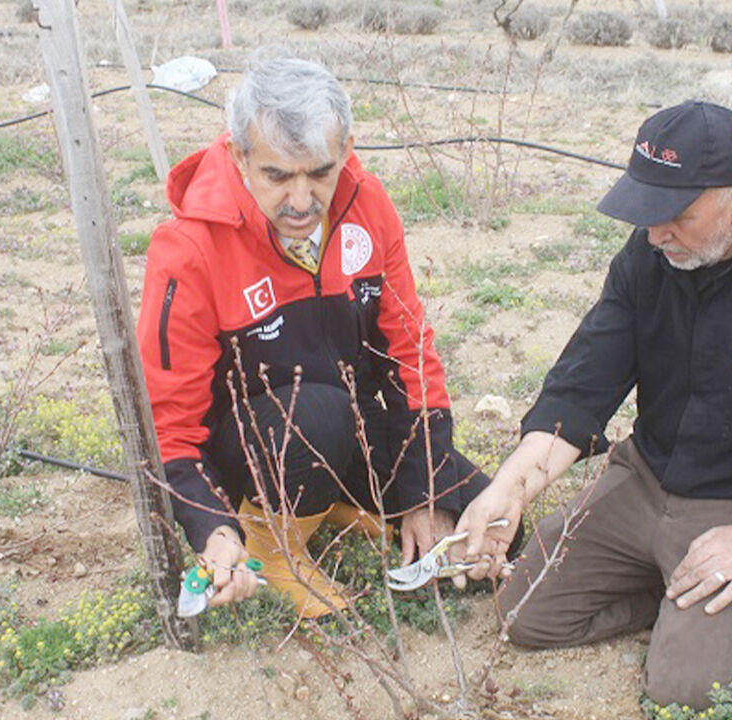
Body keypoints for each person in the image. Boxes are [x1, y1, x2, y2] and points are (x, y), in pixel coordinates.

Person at [453, 101, 732, 709]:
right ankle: (675, 588)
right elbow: (582, 388)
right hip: (647, 478)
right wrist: (509, 490)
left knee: (686, 689)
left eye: (675, 215)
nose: (656, 232)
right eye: (646, 212)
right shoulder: (648, 257)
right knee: (524, 613)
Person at [136, 56, 491, 618]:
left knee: (481, 520)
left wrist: (427, 492)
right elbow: (171, 428)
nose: (301, 201)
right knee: (319, 414)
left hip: (344, 425)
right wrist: (212, 528)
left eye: (319, 173)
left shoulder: (367, 204)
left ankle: (328, 505)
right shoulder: (189, 248)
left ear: (346, 150)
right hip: (251, 450)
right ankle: (271, 544)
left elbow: (409, 351)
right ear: (238, 156)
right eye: (278, 176)